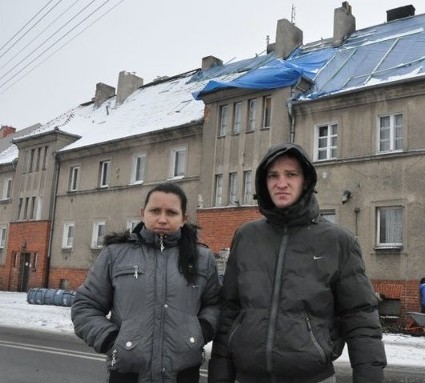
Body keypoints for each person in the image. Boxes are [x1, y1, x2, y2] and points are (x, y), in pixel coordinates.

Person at [208, 143, 386, 383]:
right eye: (273, 175)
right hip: (248, 377)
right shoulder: (246, 236)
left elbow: (360, 318)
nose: (281, 183)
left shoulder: (338, 241)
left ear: (305, 181)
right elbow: (230, 311)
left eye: (291, 174)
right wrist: (219, 377)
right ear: (263, 182)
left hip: (313, 378)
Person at [71, 182, 222, 383]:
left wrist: (200, 331)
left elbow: (216, 304)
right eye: (155, 211)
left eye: (171, 212)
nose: (162, 219)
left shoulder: (201, 258)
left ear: (184, 218)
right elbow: (85, 306)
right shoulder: (115, 255)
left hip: (183, 374)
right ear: (143, 213)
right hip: (127, 373)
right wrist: (112, 341)